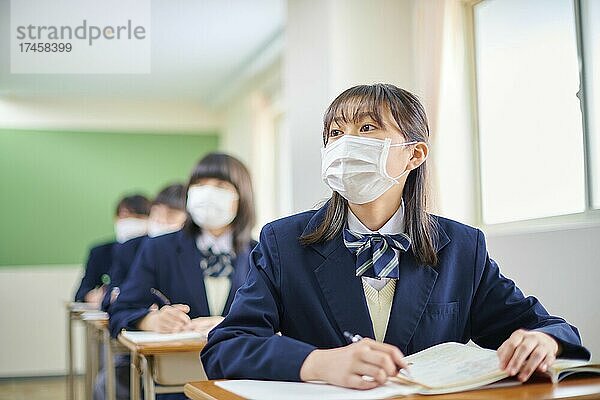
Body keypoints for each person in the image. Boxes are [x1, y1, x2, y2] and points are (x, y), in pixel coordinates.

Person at [201, 84, 590, 389]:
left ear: (415, 154)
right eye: (335, 132)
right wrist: (318, 363)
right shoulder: (283, 242)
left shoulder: (461, 247)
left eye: (366, 128)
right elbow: (226, 345)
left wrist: (544, 343)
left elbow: (548, 326)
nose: (344, 142)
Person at [105, 153, 256, 400]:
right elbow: (120, 309)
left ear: (243, 197)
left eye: (220, 186)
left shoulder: (260, 253)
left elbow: (277, 323)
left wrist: (228, 323)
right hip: (174, 384)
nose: (208, 193)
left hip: (240, 381)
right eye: (200, 184)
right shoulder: (158, 248)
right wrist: (150, 321)